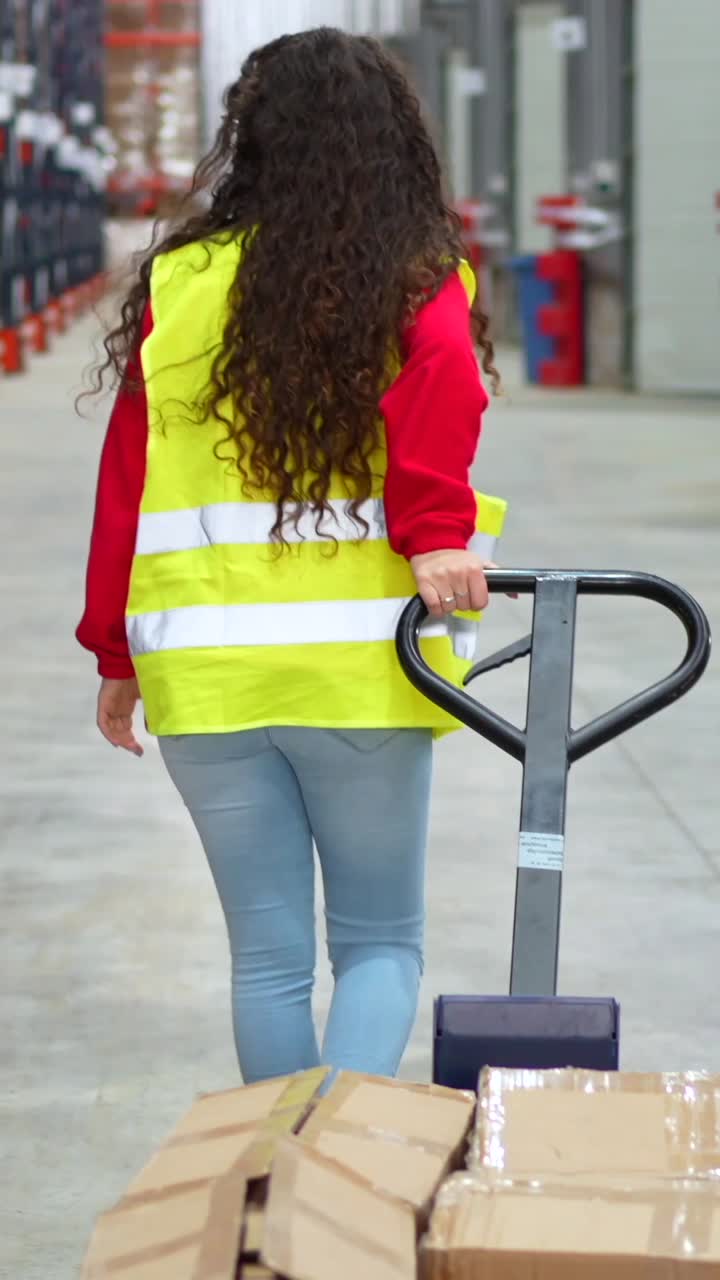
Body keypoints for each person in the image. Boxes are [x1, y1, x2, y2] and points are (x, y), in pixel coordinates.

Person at [77, 27, 504, 1084]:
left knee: (265, 961)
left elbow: (125, 481)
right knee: (377, 945)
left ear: (251, 139)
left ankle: (275, 1188)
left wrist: (113, 652)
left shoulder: (179, 282)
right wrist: (433, 529)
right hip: (361, 671)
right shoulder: (413, 277)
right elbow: (448, 374)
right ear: (390, 143)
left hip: (207, 676)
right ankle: (334, 1179)